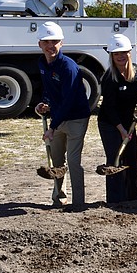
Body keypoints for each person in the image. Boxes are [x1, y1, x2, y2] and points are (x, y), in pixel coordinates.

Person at [34, 21, 91, 209]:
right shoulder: (43, 64)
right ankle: (59, 199)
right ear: (39, 44)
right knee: (56, 161)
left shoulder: (68, 67)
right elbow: (50, 90)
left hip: (75, 117)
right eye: (46, 42)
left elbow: (68, 101)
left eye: (55, 41)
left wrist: (51, 127)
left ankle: (78, 203)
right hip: (58, 118)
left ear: (62, 43)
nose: (51, 46)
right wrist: (44, 103)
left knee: (73, 161)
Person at [97, 33, 137, 203]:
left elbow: (135, 95)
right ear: (111, 56)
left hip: (127, 122)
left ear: (129, 53)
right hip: (110, 124)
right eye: (116, 54)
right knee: (115, 159)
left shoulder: (135, 75)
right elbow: (109, 108)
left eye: (123, 53)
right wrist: (122, 130)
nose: (120, 56)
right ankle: (115, 199)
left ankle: (134, 198)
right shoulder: (109, 79)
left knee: (131, 157)